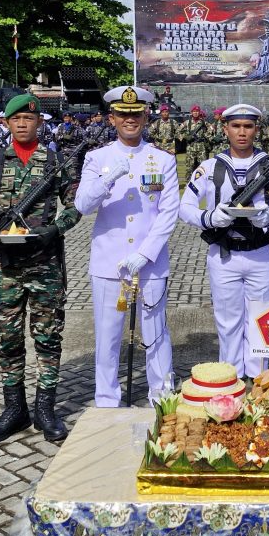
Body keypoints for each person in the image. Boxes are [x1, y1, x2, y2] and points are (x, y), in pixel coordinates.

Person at [0, 94, 81, 444]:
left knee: (48, 338)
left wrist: (54, 229)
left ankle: (46, 409)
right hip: (7, 268)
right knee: (8, 339)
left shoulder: (56, 161)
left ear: (39, 123)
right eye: (16, 119)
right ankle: (14, 409)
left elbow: (75, 205)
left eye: (29, 119)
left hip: (45, 264)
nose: (23, 124)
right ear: (8, 124)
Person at [74, 86, 178, 407]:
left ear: (146, 115)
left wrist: (144, 254)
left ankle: (161, 396)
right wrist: (107, 180)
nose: (130, 119)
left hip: (148, 264)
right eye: (123, 114)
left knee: (156, 334)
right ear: (112, 118)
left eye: (136, 113)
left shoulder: (162, 159)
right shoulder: (97, 158)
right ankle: (107, 398)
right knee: (107, 336)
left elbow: (168, 212)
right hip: (109, 264)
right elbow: (82, 205)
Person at [179, 104, 269, 378]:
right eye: (236, 126)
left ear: (257, 129)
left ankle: (258, 381)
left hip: (261, 253)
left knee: (260, 320)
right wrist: (209, 218)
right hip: (224, 254)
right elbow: (185, 207)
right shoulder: (209, 167)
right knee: (228, 322)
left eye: (248, 126)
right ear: (225, 129)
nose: (242, 132)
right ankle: (229, 379)